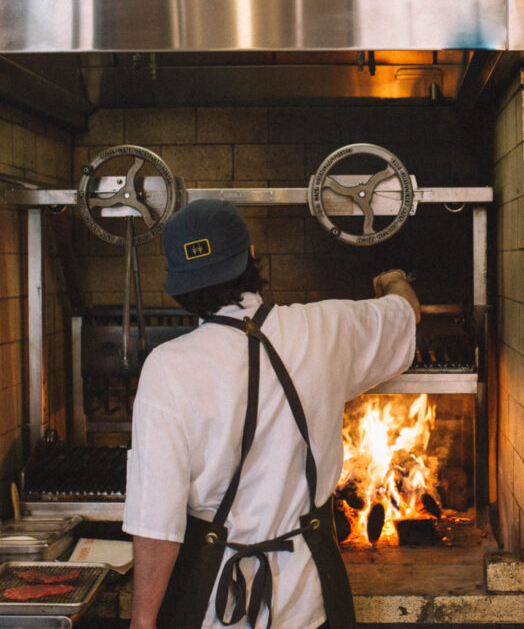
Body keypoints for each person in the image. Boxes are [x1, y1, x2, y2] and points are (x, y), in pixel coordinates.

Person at [124, 199, 420, 629]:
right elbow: (406, 313)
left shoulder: (167, 368)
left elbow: (157, 518)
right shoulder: (326, 328)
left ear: (181, 286)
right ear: (252, 255)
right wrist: (394, 279)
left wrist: (142, 621)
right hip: (309, 603)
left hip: (212, 609)